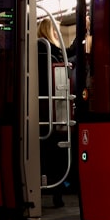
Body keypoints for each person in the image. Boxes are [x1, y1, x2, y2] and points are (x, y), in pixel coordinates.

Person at [37, 18, 71, 208]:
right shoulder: (47, 51)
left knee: (50, 151)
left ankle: (53, 189)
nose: (58, 33)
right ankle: (56, 191)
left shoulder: (44, 50)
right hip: (50, 108)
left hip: (48, 108)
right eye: (55, 30)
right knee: (55, 151)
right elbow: (67, 60)